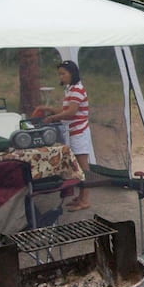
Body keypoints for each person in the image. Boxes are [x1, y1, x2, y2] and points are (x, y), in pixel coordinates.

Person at [34, 60, 92, 211]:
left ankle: (85, 199)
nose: (61, 76)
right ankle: (80, 196)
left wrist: (53, 117)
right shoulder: (70, 89)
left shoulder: (78, 90)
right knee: (77, 166)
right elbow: (64, 109)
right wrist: (48, 108)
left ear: (72, 73)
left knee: (83, 167)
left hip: (79, 132)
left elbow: (71, 112)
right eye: (59, 74)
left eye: (63, 73)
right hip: (72, 131)